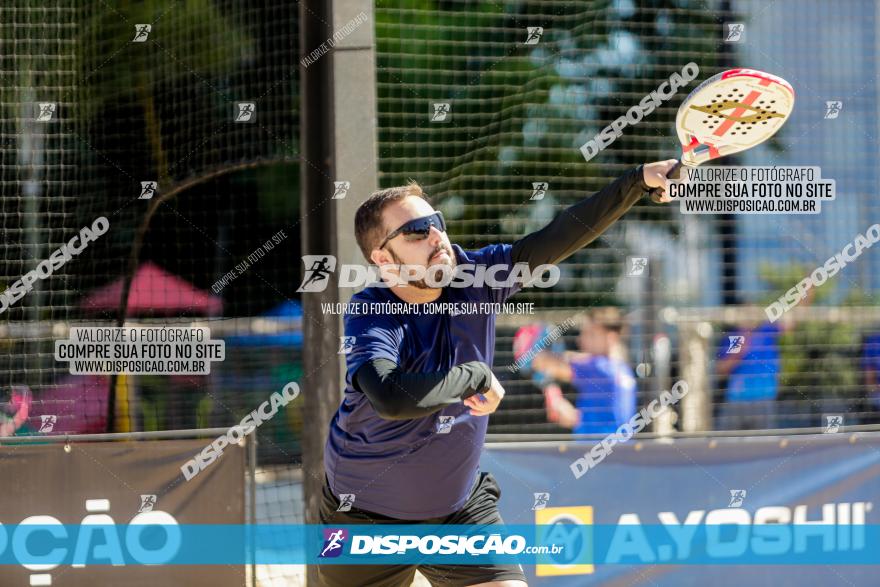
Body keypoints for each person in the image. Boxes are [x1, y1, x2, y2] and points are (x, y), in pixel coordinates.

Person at [318, 160, 678, 587]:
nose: (436, 236)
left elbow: (558, 236)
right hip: (363, 517)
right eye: (416, 231)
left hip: (459, 512)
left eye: (436, 223)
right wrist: (475, 376)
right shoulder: (371, 310)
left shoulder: (477, 277)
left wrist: (636, 181)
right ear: (384, 259)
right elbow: (392, 398)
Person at [530, 308, 637, 434]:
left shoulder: (598, 368)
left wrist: (530, 348)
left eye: (590, 334)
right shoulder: (624, 370)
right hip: (616, 451)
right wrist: (567, 412)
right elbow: (605, 422)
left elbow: (543, 362)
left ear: (611, 338)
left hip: (595, 450)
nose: (580, 340)